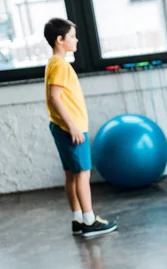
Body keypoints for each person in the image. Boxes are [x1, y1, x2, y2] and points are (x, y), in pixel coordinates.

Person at [44, 18, 117, 238]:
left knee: (72, 174)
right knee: (83, 173)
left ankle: (78, 219)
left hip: (63, 127)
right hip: (70, 129)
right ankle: (90, 220)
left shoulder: (54, 63)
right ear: (60, 40)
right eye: (72, 37)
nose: (76, 40)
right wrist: (73, 127)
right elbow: (55, 98)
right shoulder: (60, 65)